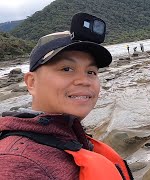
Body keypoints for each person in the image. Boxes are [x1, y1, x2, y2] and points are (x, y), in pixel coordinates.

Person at [0, 31, 133, 179]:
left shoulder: (69, 136)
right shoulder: (16, 164)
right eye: (67, 69)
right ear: (32, 82)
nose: (84, 80)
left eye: (91, 72)